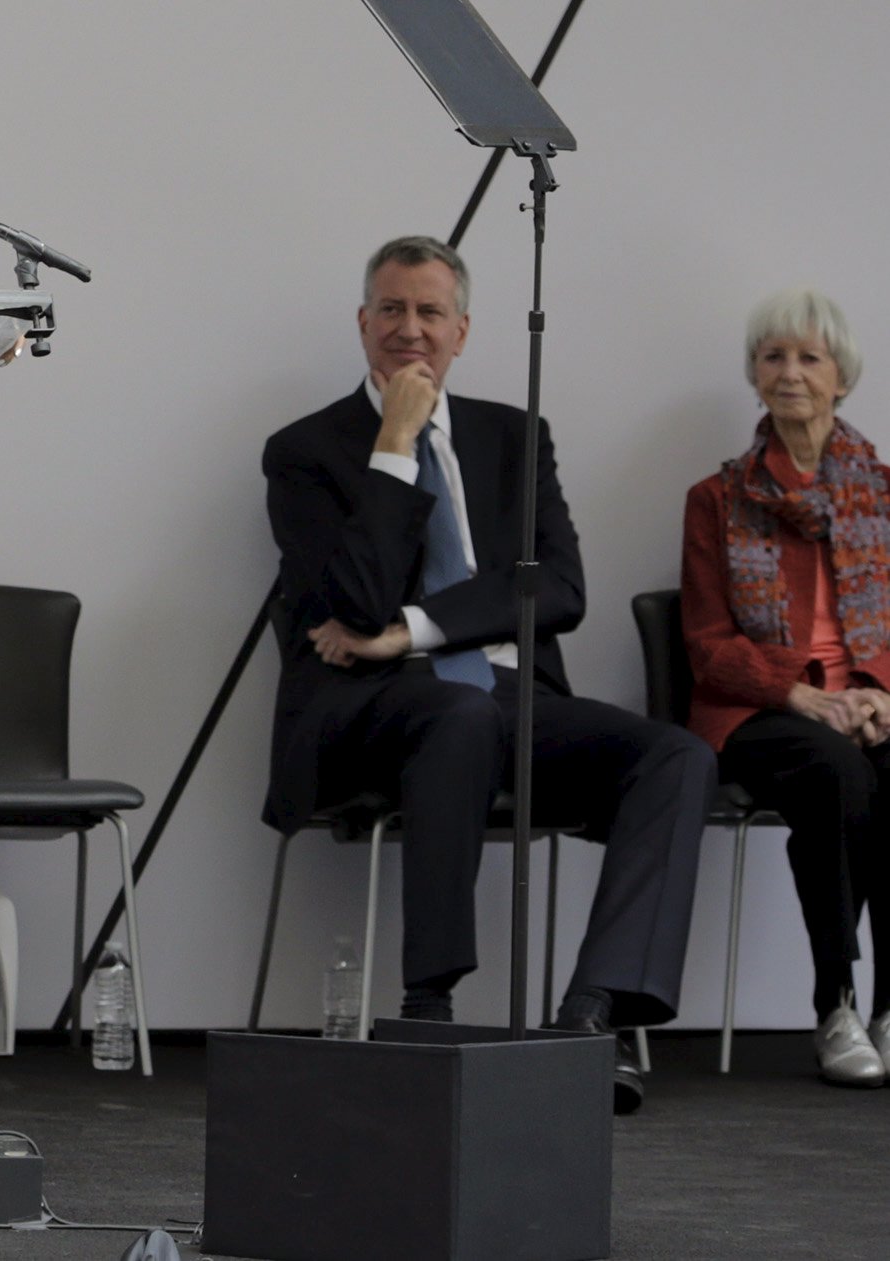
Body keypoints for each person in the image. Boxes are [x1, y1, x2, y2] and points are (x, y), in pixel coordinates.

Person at [263, 233, 710, 1106]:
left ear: (462, 330)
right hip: (367, 711)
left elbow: (563, 587)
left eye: (430, 311)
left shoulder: (515, 435)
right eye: (391, 309)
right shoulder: (305, 450)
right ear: (362, 322)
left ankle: (592, 1012)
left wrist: (416, 626)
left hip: (511, 695)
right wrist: (395, 443)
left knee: (677, 755)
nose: (409, 328)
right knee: (456, 718)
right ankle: (428, 1009)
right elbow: (351, 602)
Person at [679, 287, 890, 1087]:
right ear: (755, 374)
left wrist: (877, 694)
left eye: (810, 357)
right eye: (774, 356)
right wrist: (806, 696)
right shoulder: (718, 498)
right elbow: (707, 645)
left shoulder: (884, 491)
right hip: (761, 712)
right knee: (836, 770)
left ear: (842, 377)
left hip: (868, 704)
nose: (790, 372)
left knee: (882, 764)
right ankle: (835, 1002)